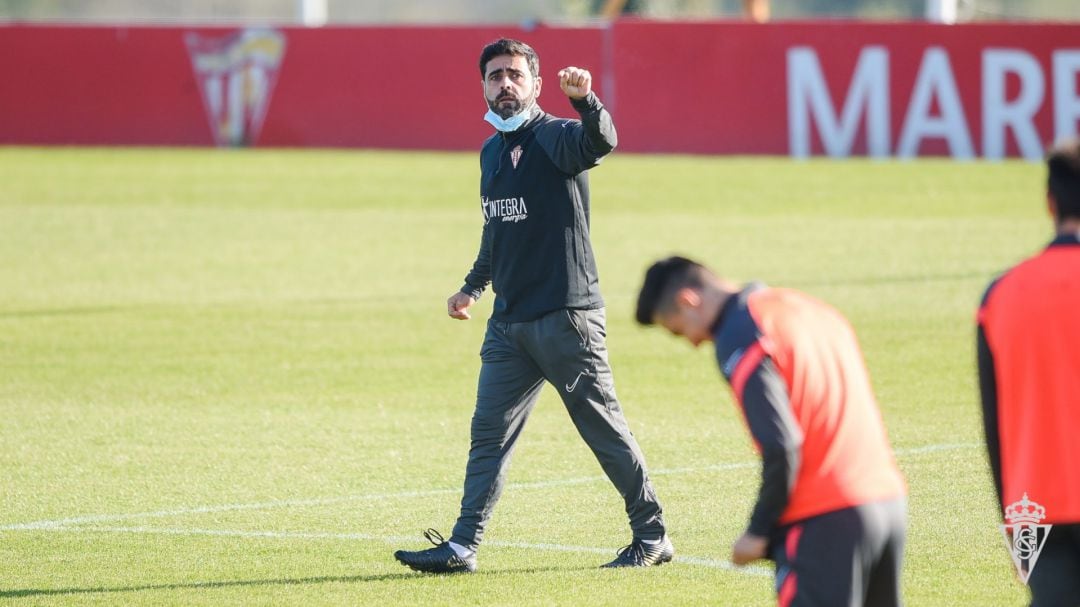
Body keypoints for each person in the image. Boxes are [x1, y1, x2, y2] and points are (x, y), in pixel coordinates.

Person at [393, 38, 670, 574]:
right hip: (509, 326)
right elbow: (496, 226)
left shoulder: (557, 136)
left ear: (536, 84)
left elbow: (602, 141)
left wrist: (586, 101)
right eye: (496, 76)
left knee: (602, 430)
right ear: (483, 86)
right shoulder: (491, 152)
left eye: (516, 75)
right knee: (487, 436)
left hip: (566, 318)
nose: (505, 84)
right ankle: (462, 546)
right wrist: (473, 286)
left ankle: (652, 536)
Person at [635, 256, 907, 606]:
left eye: (678, 329)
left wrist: (758, 531)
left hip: (825, 518)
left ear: (689, 300)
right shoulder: (807, 308)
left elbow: (782, 443)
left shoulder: (741, 332)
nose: (691, 342)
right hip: (887, 502)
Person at [978, 138, 1080, 604]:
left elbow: (994, 426)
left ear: (1049, 202)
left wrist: (1016, 532)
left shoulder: (1001, 295)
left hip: (1036, 513)